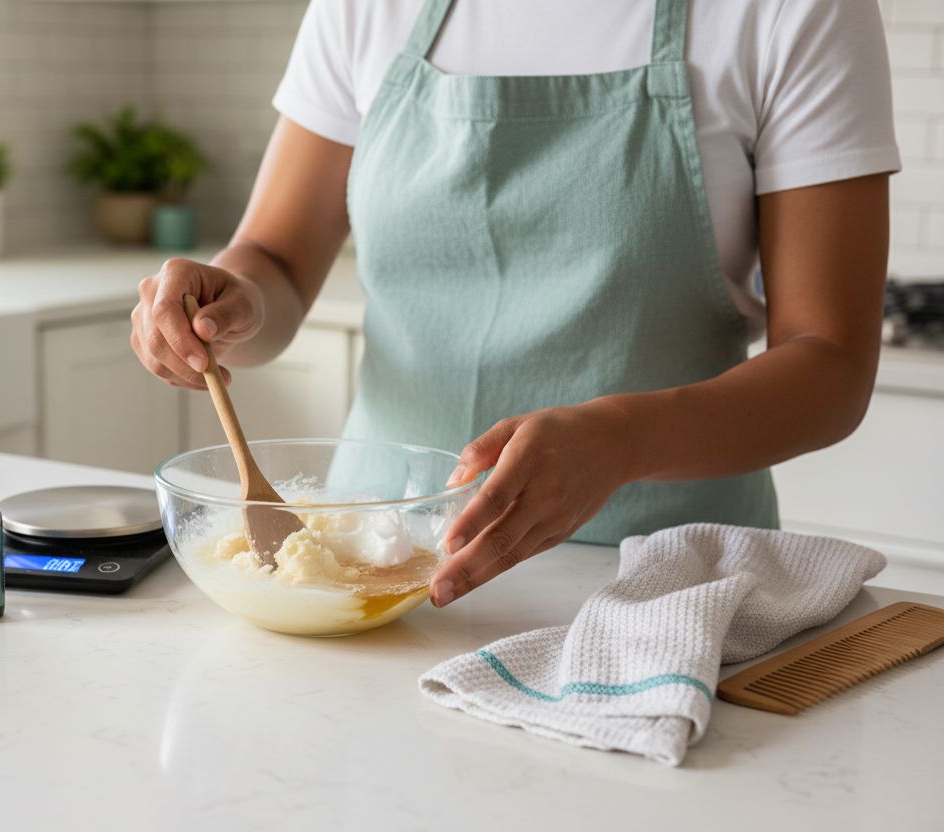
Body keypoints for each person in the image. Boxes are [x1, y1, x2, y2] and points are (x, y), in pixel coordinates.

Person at [130, 0, 899, 608]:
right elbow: (276, 259)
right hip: (367, 564)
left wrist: (622, 441)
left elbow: (830, 364)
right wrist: (231, 300)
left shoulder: (795, 9)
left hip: (665, 584)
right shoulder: (365, 6)